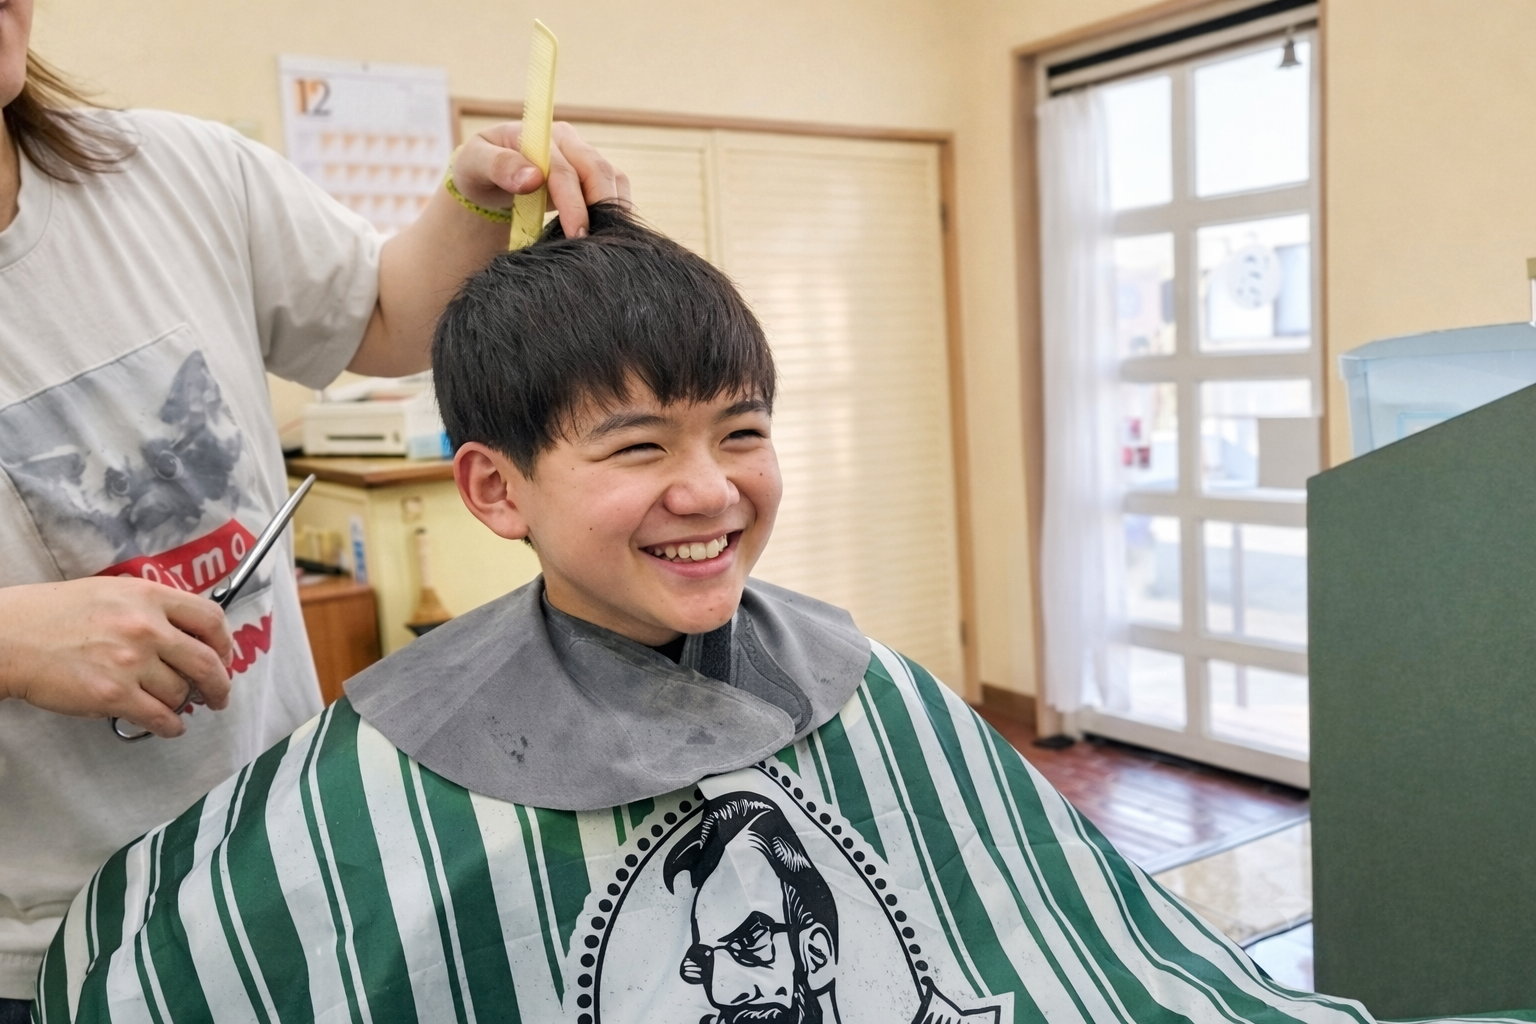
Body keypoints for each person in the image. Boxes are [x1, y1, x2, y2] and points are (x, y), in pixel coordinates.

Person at [36, 203, 1536, 1024]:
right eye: (636, 449)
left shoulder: (864, 684)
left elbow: (1076, 947)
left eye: (740, 431)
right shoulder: (374, 795)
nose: (709, 491)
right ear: (494, 492)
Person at [0, 0, 628, 1014]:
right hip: (38, 957)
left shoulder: (172, 173)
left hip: (275, 865)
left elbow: (381, 314)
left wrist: (470, 207)